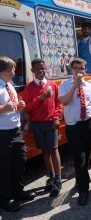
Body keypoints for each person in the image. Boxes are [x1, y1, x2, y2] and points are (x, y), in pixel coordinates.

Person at [58, 58, 91, 206]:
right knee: (78, 157)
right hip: (73, 126)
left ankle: (81, 179)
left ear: (85, 70)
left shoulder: (89, 86)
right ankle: (83, 190)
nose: (78, 71)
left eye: (81, 68)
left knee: (86, 157)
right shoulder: (65, 84)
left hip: (88, 123)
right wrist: (75, 86)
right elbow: (65, 102)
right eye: (75, 68)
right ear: (71, 70)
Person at [0, 56, 36, 212]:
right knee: (5, 167)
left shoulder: (9, 85)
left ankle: (18, 191)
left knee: (19, 162)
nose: (15, 72)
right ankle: (5, 199)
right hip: (3, 133)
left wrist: (19, 106)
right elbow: (4, 108)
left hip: (16, 130)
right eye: (13, 69)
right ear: (6, 71)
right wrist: (3, 108)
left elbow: (14, 107)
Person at [22, 59, 62, 196]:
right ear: (32, 71)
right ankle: (50, 177)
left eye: (43, 68)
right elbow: (26, 107)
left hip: (50, 122)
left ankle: (58, 178)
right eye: (38, 69)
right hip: (37, 123)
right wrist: (40, 98)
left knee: (53, 149)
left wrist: (56, 117)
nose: (41, 71)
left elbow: (58, 103)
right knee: (44, 151)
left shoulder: (52, 85)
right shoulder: (29, 87)